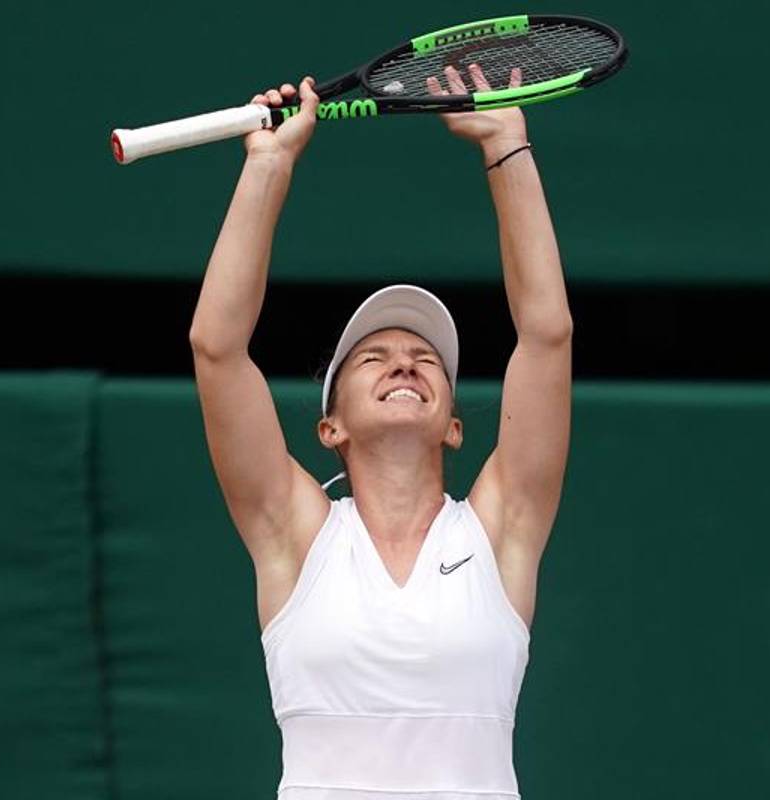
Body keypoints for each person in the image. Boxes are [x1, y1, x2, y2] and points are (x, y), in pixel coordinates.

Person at [189, 65, 571, 800]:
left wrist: (505, 146)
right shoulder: (294, 535)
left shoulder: (500, 531)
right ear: (329, 426)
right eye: (374, 357)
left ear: (454, 427)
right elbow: (216, 348)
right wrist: (268, 167)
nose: (405, 362)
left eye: (426, 358)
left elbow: (547, 337)